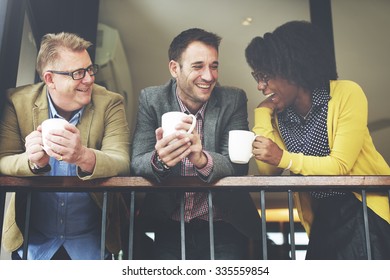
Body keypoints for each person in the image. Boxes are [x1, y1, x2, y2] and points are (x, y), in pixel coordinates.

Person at [245, 20, 390, 259]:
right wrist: (262, 115)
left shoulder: (346, 93)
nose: (261, 85)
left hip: (362, 212)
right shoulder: (282, 115)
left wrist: (284, 158)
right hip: (322, 216)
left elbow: (340, 166)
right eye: (257, 76)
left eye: (265, 76)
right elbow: (269, 169)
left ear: (292, 69)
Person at [131, 28, 262, 260]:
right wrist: (159, 159)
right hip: (168, 226)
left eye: (214, 66)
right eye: (198, 66)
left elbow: (238, 166)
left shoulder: (234, 99)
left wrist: (202, 159)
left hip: (224, 225)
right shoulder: (151, 99)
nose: (209, 76)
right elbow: (137, 161)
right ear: (174, 68)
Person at [0, 32, 130, 260]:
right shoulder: (17, 101)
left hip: (91, 246)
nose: (89, 79)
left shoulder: (111, 102)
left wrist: (83, 156)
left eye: (90, 69)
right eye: (78, 73)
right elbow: (4, 158)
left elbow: (121, 161)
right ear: (50, 79)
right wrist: (31, 161)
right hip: (33, 244)